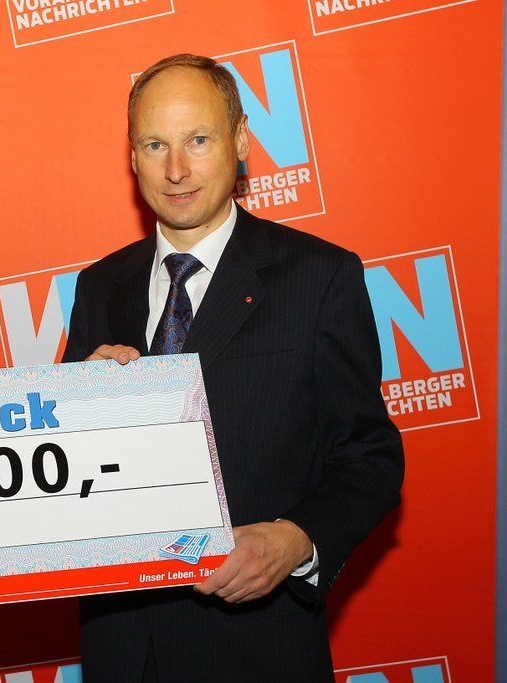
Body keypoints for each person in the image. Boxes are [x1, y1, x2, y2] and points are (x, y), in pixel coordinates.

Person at [62, 54, 404, 681]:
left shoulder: (320, 277)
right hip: (122, 653)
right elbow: (67, 480)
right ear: (132, 156)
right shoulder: (98, 287)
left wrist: (294, 539)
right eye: (155, 145)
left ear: (241, 141)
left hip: (258, 649)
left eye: (198, 140)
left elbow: (370, 456)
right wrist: (55, 411)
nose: (176, 170)